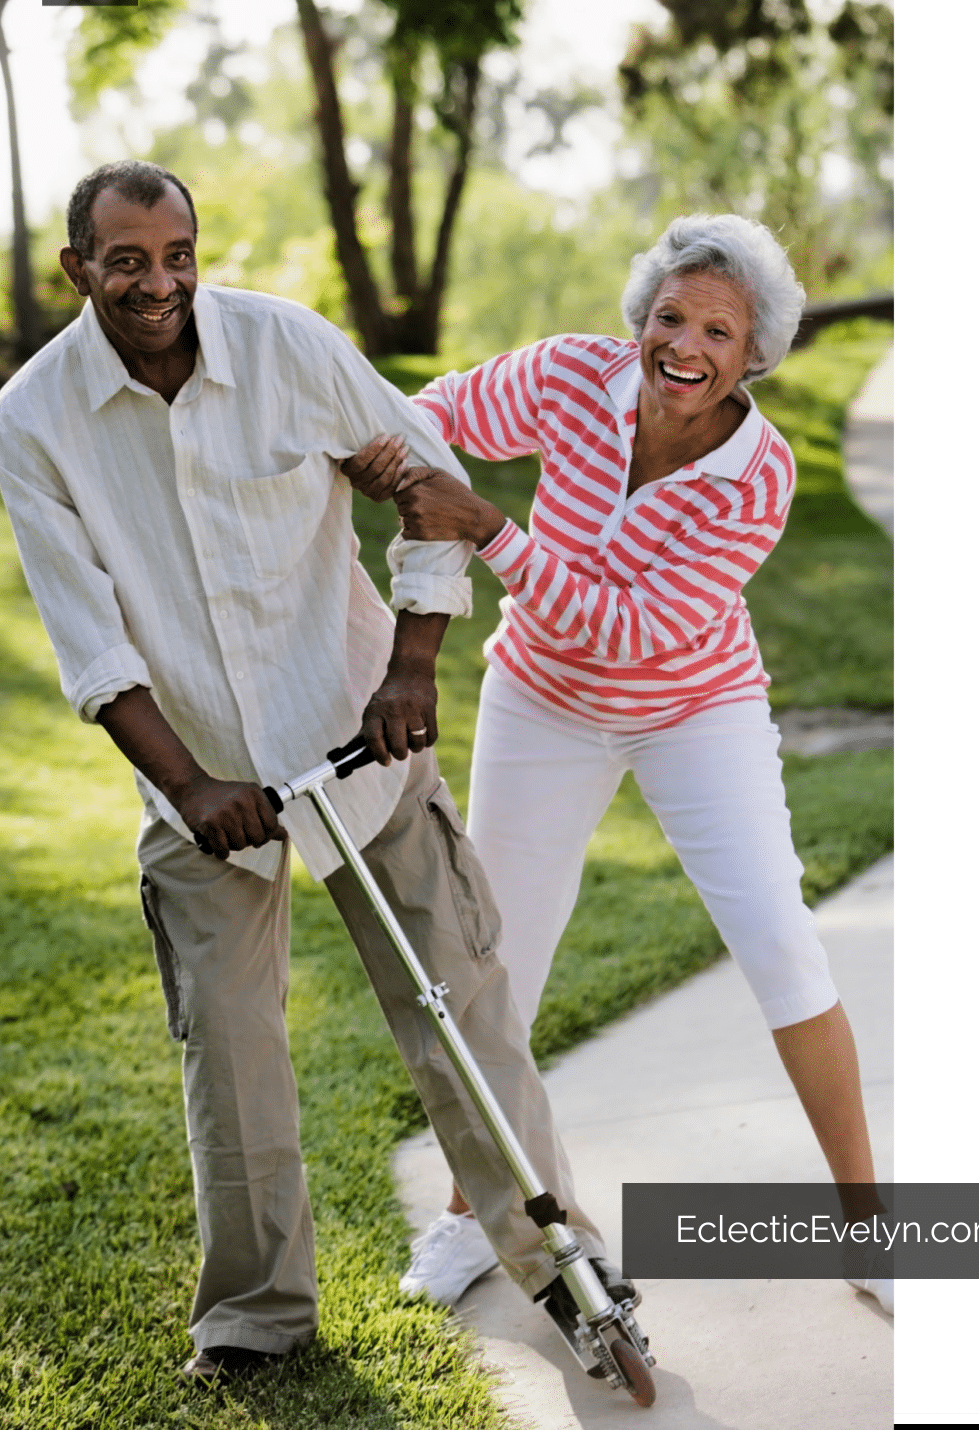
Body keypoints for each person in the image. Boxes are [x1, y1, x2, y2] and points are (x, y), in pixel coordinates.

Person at [0, 160, 636, 1386]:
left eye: (175, 252)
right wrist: (191, 789)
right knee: (228, 1052)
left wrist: (410, 663)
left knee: (462, 1007)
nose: (158, 281)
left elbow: (426, 482)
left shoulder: (287, 346)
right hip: (199, 780)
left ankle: (568, 1272)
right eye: (125, 259)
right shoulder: (33, 418)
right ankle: (255, 1318)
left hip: (361, 736)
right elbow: (92, 637)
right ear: (76, 268)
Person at [345, 212, 894, 1316]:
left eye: (717, 330)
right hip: (541, 700)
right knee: (497, 956)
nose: (683, 345)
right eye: (668, 316)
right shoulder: (567, 376)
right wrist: (355, 451)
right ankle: (473, 1213)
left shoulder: (757, 475)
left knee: (779, 942)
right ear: (639, 319)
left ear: (752, 354)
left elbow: (636, 630)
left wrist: (491, 531)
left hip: (693, 705)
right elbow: (425, 416)